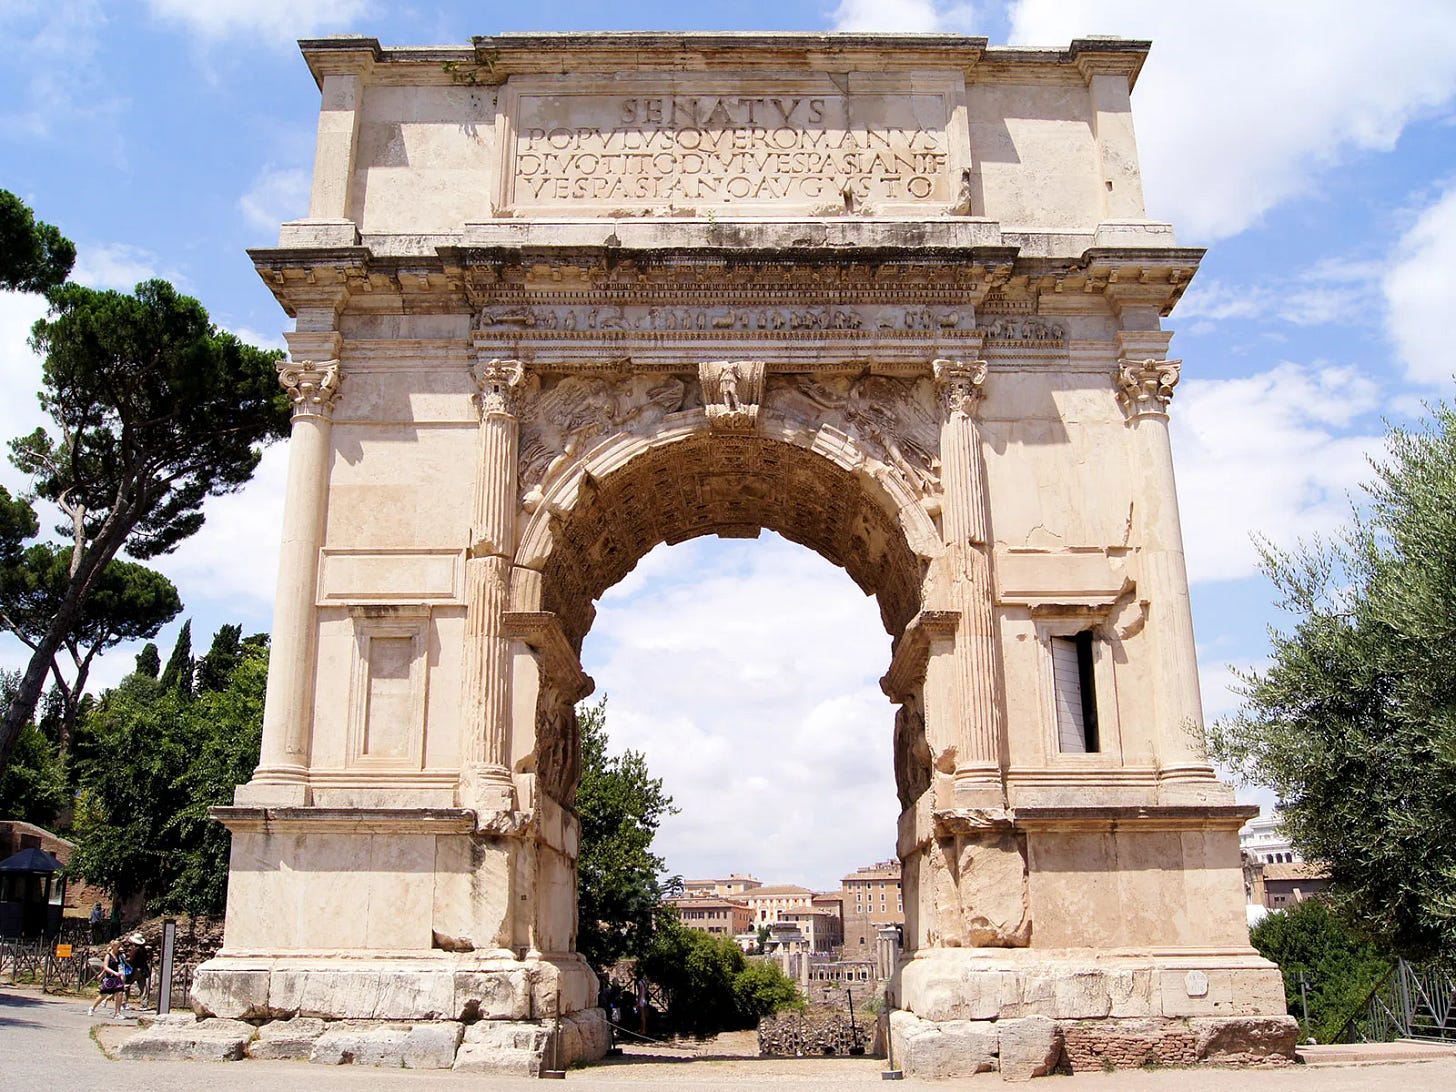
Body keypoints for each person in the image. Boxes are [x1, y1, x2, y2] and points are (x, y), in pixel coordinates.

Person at [87, 940, 126, 1019]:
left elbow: (121, 965)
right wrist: (112, 973)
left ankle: (117, 1013)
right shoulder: (108, 956)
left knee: (120, 993)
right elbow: (105, 967)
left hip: (117, 978)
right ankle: (92, 1007)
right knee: (103, 995)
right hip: (109, 978)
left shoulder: (118, 955)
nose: (119, 948)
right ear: (113, 946)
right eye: (118, 946)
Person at [125, 933, 152, 1009]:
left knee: (127, 985)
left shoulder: (135, 949)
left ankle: (124, 1002)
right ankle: (144, 1004)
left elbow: (132, 960)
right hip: (142, 969)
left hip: (135, 969)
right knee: (143, 987)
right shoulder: (144, 949)